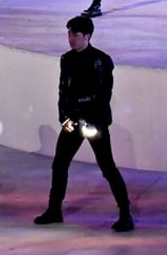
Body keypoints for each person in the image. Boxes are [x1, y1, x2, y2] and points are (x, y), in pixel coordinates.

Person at [34, 16, 133, 232]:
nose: (70, 38)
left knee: (107, 167)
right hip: (73, 122)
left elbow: (102, 95)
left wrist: (81, 114)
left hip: (94, 123)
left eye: (75, 34)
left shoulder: (101, 60)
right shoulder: (66, 59)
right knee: (59, 164)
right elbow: (62, 90)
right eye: (69, 33)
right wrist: (64, 118)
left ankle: (125, 212)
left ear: (87, 36)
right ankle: (54, 209)